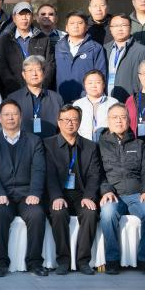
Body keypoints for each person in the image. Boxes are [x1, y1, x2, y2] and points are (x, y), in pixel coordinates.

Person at [0, 100, 49, 276]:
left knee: (37, 215)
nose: (10, 118)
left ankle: (35, 262)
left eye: (14, 114)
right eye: (6, 114)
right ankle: (0, 263)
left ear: (20, 117)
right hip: (3, 194)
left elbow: (39, 169)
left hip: (27, 194)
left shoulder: (34, 141)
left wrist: (35, 193)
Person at [96, 104, 145, 275]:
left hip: (137, 194)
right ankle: (112, 259)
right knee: (107, 213)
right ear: (108, 121)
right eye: (114, 117)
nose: (119, 120)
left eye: (123, 117)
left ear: (129, 120)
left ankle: (144, 259)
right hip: (113, 195)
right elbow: (97, 173)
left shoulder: (140, 144)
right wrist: (106, 190)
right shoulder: (99, 146)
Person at [42, 106, 101, 275]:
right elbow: (49, 175)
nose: (70, 123)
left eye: (74, 119)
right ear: (59, 122)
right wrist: (56, 196)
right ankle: (63, 260)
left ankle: (83, 261)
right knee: (58, 212)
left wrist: (89, 196)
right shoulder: (48, 144)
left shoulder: (90, 146)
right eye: (66, 120)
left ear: (79, 122)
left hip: (81, 194)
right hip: (58, 193)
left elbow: (94, 175)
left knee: (90, 213)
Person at [0, 2, 55, 96]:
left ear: (32, 17)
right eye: (21, 14)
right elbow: (3, 66)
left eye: (28, 14)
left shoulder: (43, 38)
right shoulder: (5, 39)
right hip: (14, 91)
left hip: (39, 90)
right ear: (14, 18)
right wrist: (14, 88)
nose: (24, 18)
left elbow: (50, 65)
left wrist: (41, 86)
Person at [6, 56, 64, 137]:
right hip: (22, 143)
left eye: (38, 69)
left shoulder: (56, 99)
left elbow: (62, 128)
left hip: (51, 143)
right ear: (23, 75)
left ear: (43, 73)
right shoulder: (13, 99)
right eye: (30, 70)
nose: (34, 74)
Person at [55, 12, 106, 103]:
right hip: (61, 98)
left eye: (80, 23)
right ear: (66, 28)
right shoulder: (57, 47)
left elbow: (101, 75)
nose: (76, 26)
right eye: (72, 23)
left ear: (86, 27)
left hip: (86, 99)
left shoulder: (96, 48)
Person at [104, 14, 145, 103]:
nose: (120, 29)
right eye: (116, 26)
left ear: (130, 28)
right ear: (110, 29)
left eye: (123, 25)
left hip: (131, 100)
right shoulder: (104, 49)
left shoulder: (142, 51)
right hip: (106, 100)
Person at [72, 70, 119, 141]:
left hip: (107, 143)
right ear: (84, 85)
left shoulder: (113, 103)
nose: (93, 86)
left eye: (98, 82)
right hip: (84, 144)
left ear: (104, 85)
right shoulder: (78, 104)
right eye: (90, 83)